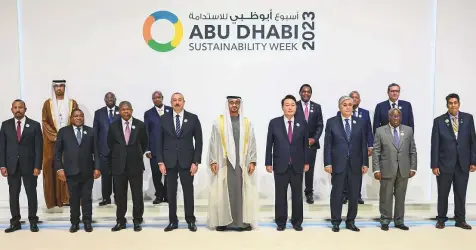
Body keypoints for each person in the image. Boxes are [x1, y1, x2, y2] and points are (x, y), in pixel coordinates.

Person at [207, 96, 258, 231]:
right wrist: (213, 161)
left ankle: (241, 222)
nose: (234, 105)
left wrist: (252, 161)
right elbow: (213, 143)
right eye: (231, 102)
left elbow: (252, 143)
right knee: (224, 191)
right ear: (227, 104)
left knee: (241, 192)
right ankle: (223, 222)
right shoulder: (219, 122)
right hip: (225, 164)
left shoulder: (247, 123)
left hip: (242, 164)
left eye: (237, 103)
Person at [157, 93, 203, 232]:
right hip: (169, 161)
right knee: (170, 193)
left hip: (187, 162)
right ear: (170, 102)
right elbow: (158, 141)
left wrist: (196, 162)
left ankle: (190, 220)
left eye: (180, 100)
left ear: (184, 102)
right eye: (174, 100)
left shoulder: (193, 118)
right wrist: (160, 162)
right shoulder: (163, 119)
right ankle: (173, 221)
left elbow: (199, 141)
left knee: (188, 192)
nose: (177, 102)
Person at [431, 93, 476, 230]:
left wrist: (473, 161)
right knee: (443, 193)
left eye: (455, 102)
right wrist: (434, 164)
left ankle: (460, 220)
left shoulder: (468, 119)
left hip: (463, 163)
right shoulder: (439, 121)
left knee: (461, 193)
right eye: (450, 103)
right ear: (447, 105)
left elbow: (473, 142)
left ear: (459, 104)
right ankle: (441, 219)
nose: (453, 105)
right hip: (445, 164)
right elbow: (435, 144)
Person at [265, 94, 309, 231]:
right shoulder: (274, 123)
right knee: (280, 195)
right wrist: (268, 162)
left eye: (293, 105)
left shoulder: (302, 123)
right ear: (282, 107)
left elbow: (305, 145)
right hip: (280, 165)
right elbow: (269, 144)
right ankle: (281, 222)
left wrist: (306, 162)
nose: (290, 107)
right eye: (287, 105)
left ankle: (297, 222)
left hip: (297, 165)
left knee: (297, 195)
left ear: (296, 107)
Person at [324, 96, 368, 232]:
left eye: (350, 104)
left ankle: (350, 221)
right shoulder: (331, 122)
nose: (348, 107)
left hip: (355, 164)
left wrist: (365, 163)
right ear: (339, 107)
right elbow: (328, 144)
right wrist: (328, 163)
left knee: (354, 194)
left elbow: (363, 144)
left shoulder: (360, 122)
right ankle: (336, 221)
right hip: (338, 164)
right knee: (337, 193)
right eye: (345, 105)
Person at [54, 109, 101, 233]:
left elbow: (96, 151)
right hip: (70, 172)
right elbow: (57, 153)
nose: (79, 118)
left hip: (88, 172)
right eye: (76, 116)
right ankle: (74, 223)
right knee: (73, 199)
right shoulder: (63, 132)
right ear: (71, 118)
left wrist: (97, 168)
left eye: (81, 116)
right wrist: (59, 168)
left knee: (87, 198)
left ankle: (87, 222)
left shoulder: (91, 131)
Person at [0, 99, 42, 233]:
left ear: (25, 109)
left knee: (31, 195)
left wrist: (37, 166)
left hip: (30, 166)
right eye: (15, 107)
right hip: (12, 166)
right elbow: (2, 147)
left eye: (21, 107)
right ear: (11, 109)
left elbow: (39, 148)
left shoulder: (35, 125)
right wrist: (2, 165)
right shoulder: (5, 125)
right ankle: (15, 222)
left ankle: (33, 221)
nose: (18, 110)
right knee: (13, 195)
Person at [373, 107, 417, 231]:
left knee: (400, 196)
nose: (396, 118)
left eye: (398, 116)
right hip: (386, 169)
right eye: (393, 116)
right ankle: (385, 220)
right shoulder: (380, 131)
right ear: (389, 117)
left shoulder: (408, 130)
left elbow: (412, 150)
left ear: (401, 117)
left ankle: (399, 221)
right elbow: (376, 152)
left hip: (403, 169)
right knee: (385, 196)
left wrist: (413, 167)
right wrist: (376, 170)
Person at [108, 101, 148, 232]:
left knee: (137, 195)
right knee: (119, 195)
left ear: (132, 110)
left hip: (135, 165)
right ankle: (120, 221)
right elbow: (110, 144)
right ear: (119, 111)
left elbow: (144, 143)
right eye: (123, 109)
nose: (126, 112)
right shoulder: (113, 126)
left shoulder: (140, 125)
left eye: (128, 109)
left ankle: (137, 220)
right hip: (118, 166)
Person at [41, 79, 78, 208]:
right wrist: (58, 136)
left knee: (70, 167)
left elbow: (76, 120)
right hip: (52, 142)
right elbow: (45, 122)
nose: (59, 88)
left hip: (69, 142)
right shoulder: (48, 104)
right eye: (56, 86)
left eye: (61, 86)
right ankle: (54, 200)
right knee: (52, 166)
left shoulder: (72, 103)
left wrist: (66, 137)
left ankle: (68, 198)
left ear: (64, 87)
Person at [338, 91, 373, 204]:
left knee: (358, 173)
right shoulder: (340, 113)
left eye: (356, 98)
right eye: (352, 97)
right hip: (344, 150)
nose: (354, 100)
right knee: (344, 173)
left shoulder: (365, 113)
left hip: (358, 149)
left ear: (359, 100)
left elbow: (368, 131)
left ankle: (357, 195)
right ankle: (344, 195)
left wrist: (370, 145)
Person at [295, 84, 323, 204]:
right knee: (297, 168)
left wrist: (314, 139)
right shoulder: (294, 105)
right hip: (297, 144)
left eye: (308, 92)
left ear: (311, 94)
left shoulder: (317, 107)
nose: (306, 93)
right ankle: (297, 193)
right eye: (304, 91)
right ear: (300, 92)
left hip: (311, 144)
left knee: (309, 169)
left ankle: (309, 193)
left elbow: (320, 125)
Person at [144, 90, 172, 204]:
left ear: (162, 97)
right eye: (154, 98)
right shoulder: (148, 113)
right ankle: (159, 195)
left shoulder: (170, 110)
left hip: (169, 148)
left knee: (169, 174)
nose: (156, 100)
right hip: (154, 149)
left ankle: (167, 195)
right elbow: (146, 132)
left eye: (158, 97)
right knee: (156, 174)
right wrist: (147, 149)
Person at [93, 92, 119, 206]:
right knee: (106, 176)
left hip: (118, 150)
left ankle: (118, 197)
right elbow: (95, 132)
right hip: (103, 150)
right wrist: (96, 149)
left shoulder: (121, 110)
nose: (110, 100)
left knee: (118, 175)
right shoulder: (98, 113)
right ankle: (106, 198)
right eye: (107, 98)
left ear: (115, 99)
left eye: (112, 98)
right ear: (104, 100)